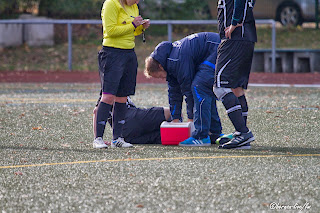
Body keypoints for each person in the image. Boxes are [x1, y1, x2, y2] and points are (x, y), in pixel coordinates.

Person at [144, 32, 223, 146]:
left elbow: (189, 92)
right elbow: (174, 93)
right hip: (213, 49)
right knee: (204, 89)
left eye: (160, 76)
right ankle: (215, 133)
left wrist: (191, 119)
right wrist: (175, 118)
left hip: (217, 48)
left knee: (199, 87)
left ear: (160, 66)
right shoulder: (169, 63)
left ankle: (201, 136)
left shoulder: (176, 60)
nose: (162, 79)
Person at [93, 0, 150, 149]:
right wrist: (132, 25)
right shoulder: (111, 4)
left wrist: (140, 28)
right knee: (108, 96)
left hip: (129, 54)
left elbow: (134, 32)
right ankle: (98, 138)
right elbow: (110, 31)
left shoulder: (134, 6)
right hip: (112, 53)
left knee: (122, 97)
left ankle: (117, 138)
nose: (137, 1)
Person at [213, 0, 257, 149]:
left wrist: (235, 21)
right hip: (245, 38)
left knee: (220, 87)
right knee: (236, 88)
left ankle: (243, 132)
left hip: (235, 40)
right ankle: (241, 136)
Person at [93, 95, 172, 148]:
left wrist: (98, 138)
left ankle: (116, 139)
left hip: (125, 135)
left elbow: (96, 112)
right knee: (170, 112)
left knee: (165, 136)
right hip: (131, 118)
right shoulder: (112, 84)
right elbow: (96, 111)